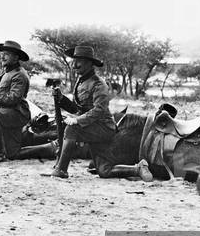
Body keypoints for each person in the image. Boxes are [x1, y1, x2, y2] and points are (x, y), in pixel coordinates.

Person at [44, 45, 151, 181]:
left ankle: (61, 170)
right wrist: (61, 99)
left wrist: (77, 120)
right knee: (104, 171)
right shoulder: (81, 82)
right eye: (73, 61)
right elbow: (77, 108)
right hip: (92, 128)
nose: (74, 65)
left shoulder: (99, 84)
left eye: (78, 61)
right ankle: (138, 168)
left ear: (89, 63)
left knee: (71, 129)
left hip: (104, 128)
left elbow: (99, 110)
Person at [0, 40, 31, 163]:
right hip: (8, 111)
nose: (2, 57)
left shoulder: (19, 75)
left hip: (18, 113)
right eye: (2, 54)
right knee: (12, 153)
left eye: (6, 54)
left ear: (15, 58)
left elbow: (13, 99)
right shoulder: (8, 72)